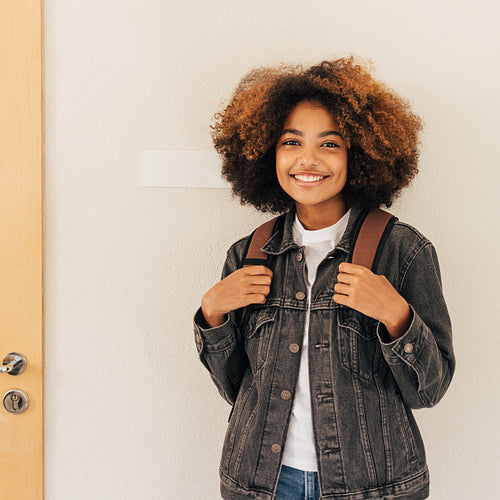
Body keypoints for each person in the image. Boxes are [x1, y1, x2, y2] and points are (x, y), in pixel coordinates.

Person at [193, 57, 455, 500]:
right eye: (291, 141)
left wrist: (397, 317)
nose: (307, 159)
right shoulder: (247, 254)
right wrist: (212, 313)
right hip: (261, 484)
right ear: (267, 153)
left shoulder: (403, 251)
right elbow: (237, 389)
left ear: (361, 154)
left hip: (374, 487)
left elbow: (429, 390)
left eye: (329, 144)